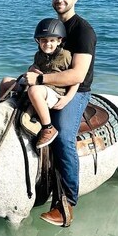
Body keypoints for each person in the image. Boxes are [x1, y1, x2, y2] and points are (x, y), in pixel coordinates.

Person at [27, 0, 96, 227]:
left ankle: (66, 203)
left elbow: (77, 75)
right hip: (49, 85)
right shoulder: (53, 27)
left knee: (65, 136)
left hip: (75, 92)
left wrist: (40, 79)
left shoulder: (83, 31)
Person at [27, 18, 79, 149]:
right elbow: (34, 67)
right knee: (5, 81)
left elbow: (75, 79)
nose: (47, 44)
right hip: (42, 88)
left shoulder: (66, 56)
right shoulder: (38, 55)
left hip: (55, 92)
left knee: (34, 91)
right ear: (38, 41)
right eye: (43, 40)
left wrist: (68, 97)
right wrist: (31, 70)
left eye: (52, 40)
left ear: (59, 41)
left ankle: (48, 128)